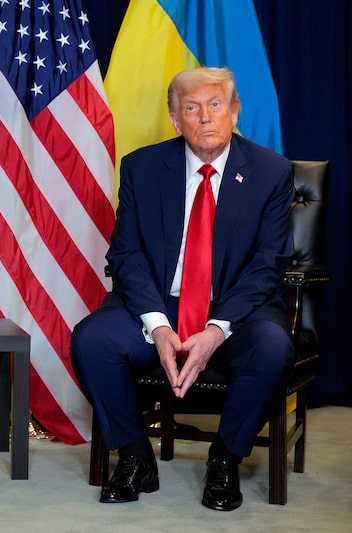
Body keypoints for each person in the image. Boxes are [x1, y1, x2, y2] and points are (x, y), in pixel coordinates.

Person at [70, 67, 294, 511]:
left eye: (215, 106)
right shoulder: (142, 167)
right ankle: (135, 457)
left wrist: (216, 330)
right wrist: (156, 325)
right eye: (191, 108)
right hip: (158, 302)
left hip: (236, 310)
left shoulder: (272, 171)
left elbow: (269, 264)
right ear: (176, 120)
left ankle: (224, 461)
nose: (205, 117)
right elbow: (126, 255)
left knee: (272, 349)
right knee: (92, 339)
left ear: (235, 113)